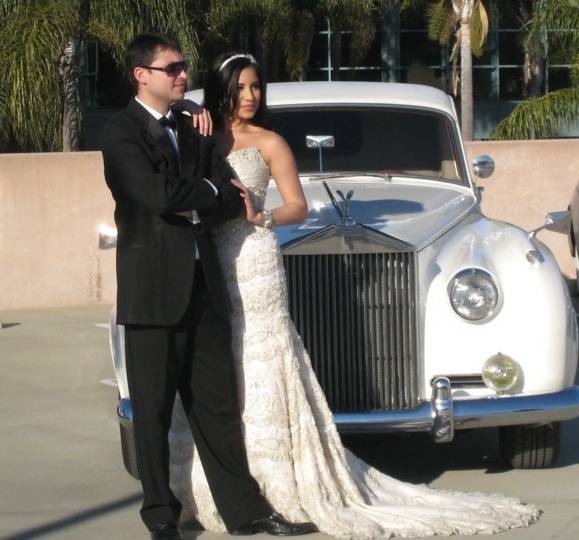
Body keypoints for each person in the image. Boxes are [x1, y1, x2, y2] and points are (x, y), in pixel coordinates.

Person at [167, 51, 541, 538]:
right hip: (212, 257)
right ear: (222, 90)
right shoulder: (200, 133)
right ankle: (217, 481)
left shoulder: (271, 141)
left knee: (263, 362)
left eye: (257, 87)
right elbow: (165, 133)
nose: (250, 96)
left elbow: (297, 205)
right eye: (240, 88)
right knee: (218, 362)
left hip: (256, 257)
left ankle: (279, 480)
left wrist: (263, 216)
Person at [100, 34, 315, 539]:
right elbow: (155, 195)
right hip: (152, 292)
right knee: (152, 411)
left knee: (217, 407)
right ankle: (160, 516)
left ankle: (245, 512)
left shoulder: (195, 128)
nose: (182, 75)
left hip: (206, 285)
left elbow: (229, 199)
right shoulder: (119, 133)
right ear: (142, 75)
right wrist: (210, 191)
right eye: (171, 67)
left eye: (183, 67)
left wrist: (204, 193)